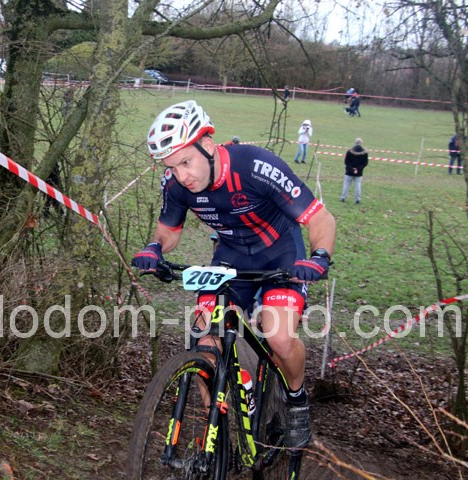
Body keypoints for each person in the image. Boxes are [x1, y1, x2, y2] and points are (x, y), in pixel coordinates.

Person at [131, 100, 336, 450]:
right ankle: (219, 430)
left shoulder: (255, 166)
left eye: (186, 162)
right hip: (231, 258)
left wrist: (319, 256)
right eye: (171, 167)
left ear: (207, 145)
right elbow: (169, 230)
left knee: (279, 338)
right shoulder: (176, 184)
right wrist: (155, 248)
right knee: (203, 336)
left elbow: (320, 218)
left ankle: (297, 400)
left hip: (281, 255)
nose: (182, 175)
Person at [340, 138, 369, 204]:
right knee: (358, 186)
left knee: (346, 185)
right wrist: (358, 169)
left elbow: (346, 162)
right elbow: (365, 163)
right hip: (359, 172)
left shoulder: (349, 152)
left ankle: (343, 198)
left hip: (349, 171)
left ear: (355, 142)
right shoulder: (365, 153)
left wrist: (352, 169)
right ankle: (357, 199)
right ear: (361, 143)